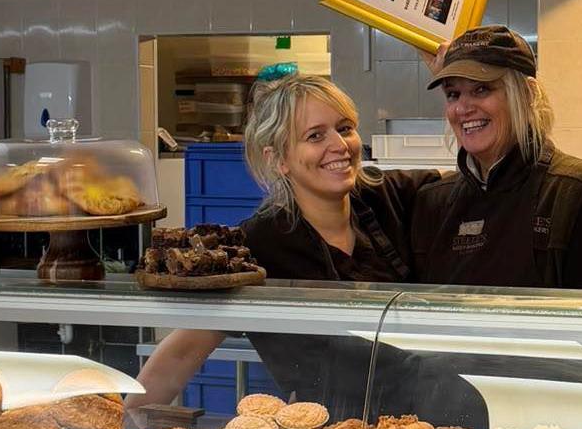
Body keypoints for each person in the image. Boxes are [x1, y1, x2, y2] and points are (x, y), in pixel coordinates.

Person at [128, 74, 438, 411]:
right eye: (315, 136)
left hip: (434, 419)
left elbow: (479, 190)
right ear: (279, 159)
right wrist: (126, 426)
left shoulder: (392, 195)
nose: (339, 145)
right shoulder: (260, 244)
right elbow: (184, 350)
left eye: (345, 128)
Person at [411, 25, 582, 289]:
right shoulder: (433, 202)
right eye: (453, 94)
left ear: (528, 94)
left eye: (482, 89)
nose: (463, 108)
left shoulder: (579, 191)